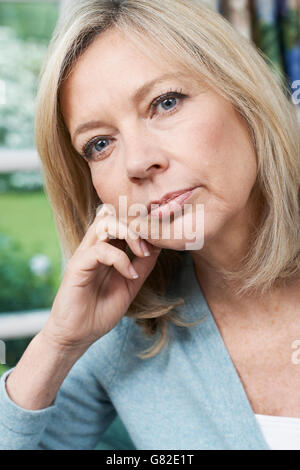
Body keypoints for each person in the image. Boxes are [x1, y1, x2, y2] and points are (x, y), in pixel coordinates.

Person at [1, 0, 300, 450]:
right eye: (100, 144)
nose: (139, 162)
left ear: (242, 95)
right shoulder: (124, 333)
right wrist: (57, 344)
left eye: (165, 103)